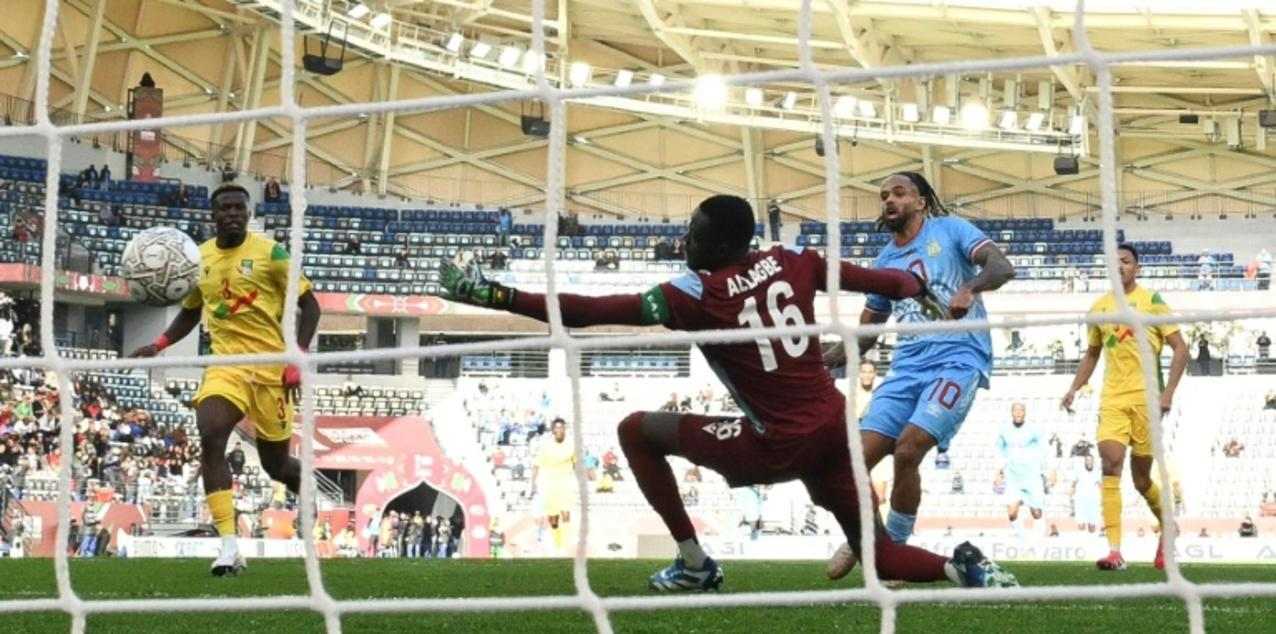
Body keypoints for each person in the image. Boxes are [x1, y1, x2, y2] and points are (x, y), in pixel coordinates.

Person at [433, 193, 1015, 591]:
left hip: (777, 443)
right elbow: (882, 279)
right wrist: (919, 286)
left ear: (718, 243)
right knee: (877, 553)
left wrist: (495, 296)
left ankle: (693, 564)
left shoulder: (694, 293)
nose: (686, 239)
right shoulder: (795, 260)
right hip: (833, 432)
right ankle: (963, 570)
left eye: (695, 232)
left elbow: (586, 312)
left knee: (636, 430)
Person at [825, 171, 1016, 578]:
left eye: (899, 193)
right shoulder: (884, 261)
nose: (889, 201)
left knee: (908, 450)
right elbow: (868, 331)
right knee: (853, 462)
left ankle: (892, 549)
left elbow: (1001, 266)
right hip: (907, 367)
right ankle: (867, 538)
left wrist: (970, 287)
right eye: (883, 196)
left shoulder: (950, 230)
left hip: (959, 358)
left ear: (921, 201)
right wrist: (825, 358)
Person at [131, 183, 321, 577]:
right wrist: (160, 343)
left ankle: (308, 489)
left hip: (272, 371)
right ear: (213, 215)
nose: (233, 214)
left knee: (276, 466)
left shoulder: (272, 253)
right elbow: (191, 311)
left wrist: (298, 356)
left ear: (248, 214)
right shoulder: (197, 258)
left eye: (239, 208)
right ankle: (228, 547)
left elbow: (310, 305)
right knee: (212, 432)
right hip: (226, 366)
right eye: (225, 209)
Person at [1061, 243, 1188, 571]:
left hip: (1147, 400)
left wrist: (1169, 393)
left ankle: (1168, 528)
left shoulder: (1153, 302)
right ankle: (1114, 551)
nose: (1119, 266)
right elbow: (1092, 354)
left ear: (1137, 268)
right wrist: (1074, 388)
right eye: (1113, 262)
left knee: (1142, 480)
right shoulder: (1099, 308)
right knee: (1110, 463)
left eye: (1126, 261)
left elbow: (1180, 349)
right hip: (1113, 399)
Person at [996, 402, 1047, 541]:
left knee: (1036, 512)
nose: (1018, 413)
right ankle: (1022, 538)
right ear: (1011, 413)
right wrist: (998, 472)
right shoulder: (1004, 431)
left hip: (1031, 476)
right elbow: (999, 452)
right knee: (1012, 513)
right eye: (1015, 410)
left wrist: (1050, 470)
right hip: (1013, 476)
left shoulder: (1034, 430)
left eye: (1021, 410)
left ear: (1025, 413)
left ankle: (1039, 539)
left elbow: (1044, 450)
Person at [530, 418, 575, 555]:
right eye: (557, 428)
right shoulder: (546, 446)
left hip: (566, 482)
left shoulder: (572, 445)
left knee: (566, 513)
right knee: (553, 519)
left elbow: (577, 463)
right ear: (553, 430)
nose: (560, 430)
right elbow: (536, 465)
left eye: (562, 427)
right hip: (549, 484)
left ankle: (564, 547)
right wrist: (533, 484)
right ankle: (557, 543)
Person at [1071, 454, 1102, 533]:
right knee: (1081, 527)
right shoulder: (1079, 470)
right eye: (1087, 460)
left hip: (1093, 500)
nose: (1089, 462)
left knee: (1092, 529)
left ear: (1093, 461)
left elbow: (1100, 484)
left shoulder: (1097, 471)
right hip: (1081, 499)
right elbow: (1074, 482)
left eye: (1090, 460)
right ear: (1085, 461)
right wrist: (1072, 492)